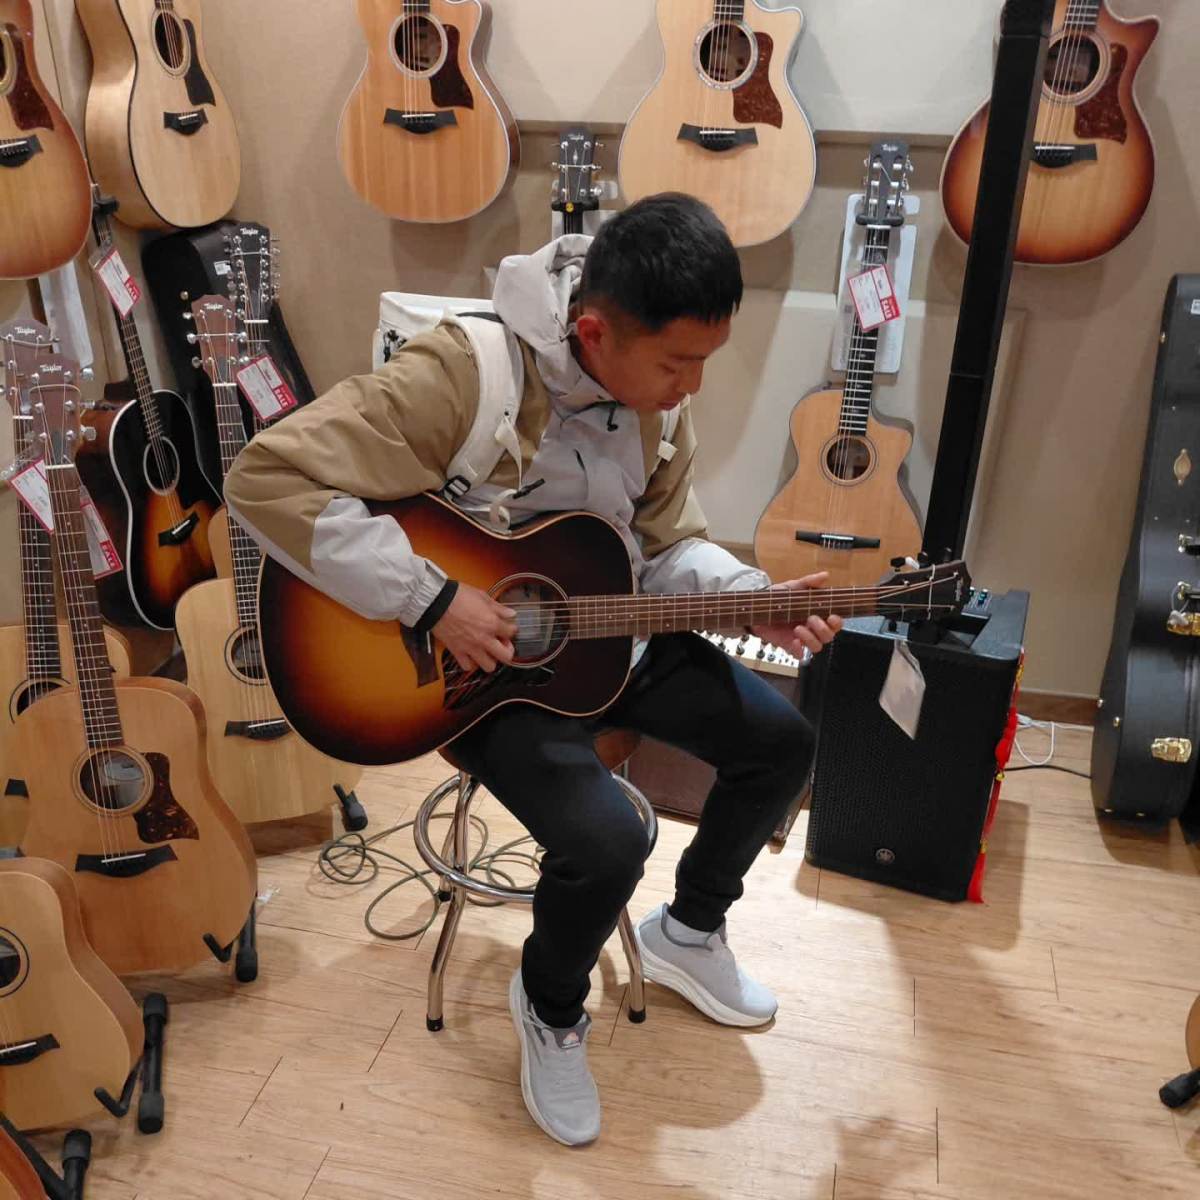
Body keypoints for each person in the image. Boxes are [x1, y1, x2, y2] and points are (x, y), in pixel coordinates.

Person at [224, 193, 842, 1147]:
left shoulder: (659, 411)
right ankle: (550, 1006)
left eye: (705, 361)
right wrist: (432, 597)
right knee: (607, 842)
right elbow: (265, 477)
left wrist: (747, 595)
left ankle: (690, 930)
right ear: (593, 332)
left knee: (783, 743)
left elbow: (663, 545)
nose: (692, 387)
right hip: (470, 671)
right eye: (676, 363)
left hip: (603, 634)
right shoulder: (461, 374)